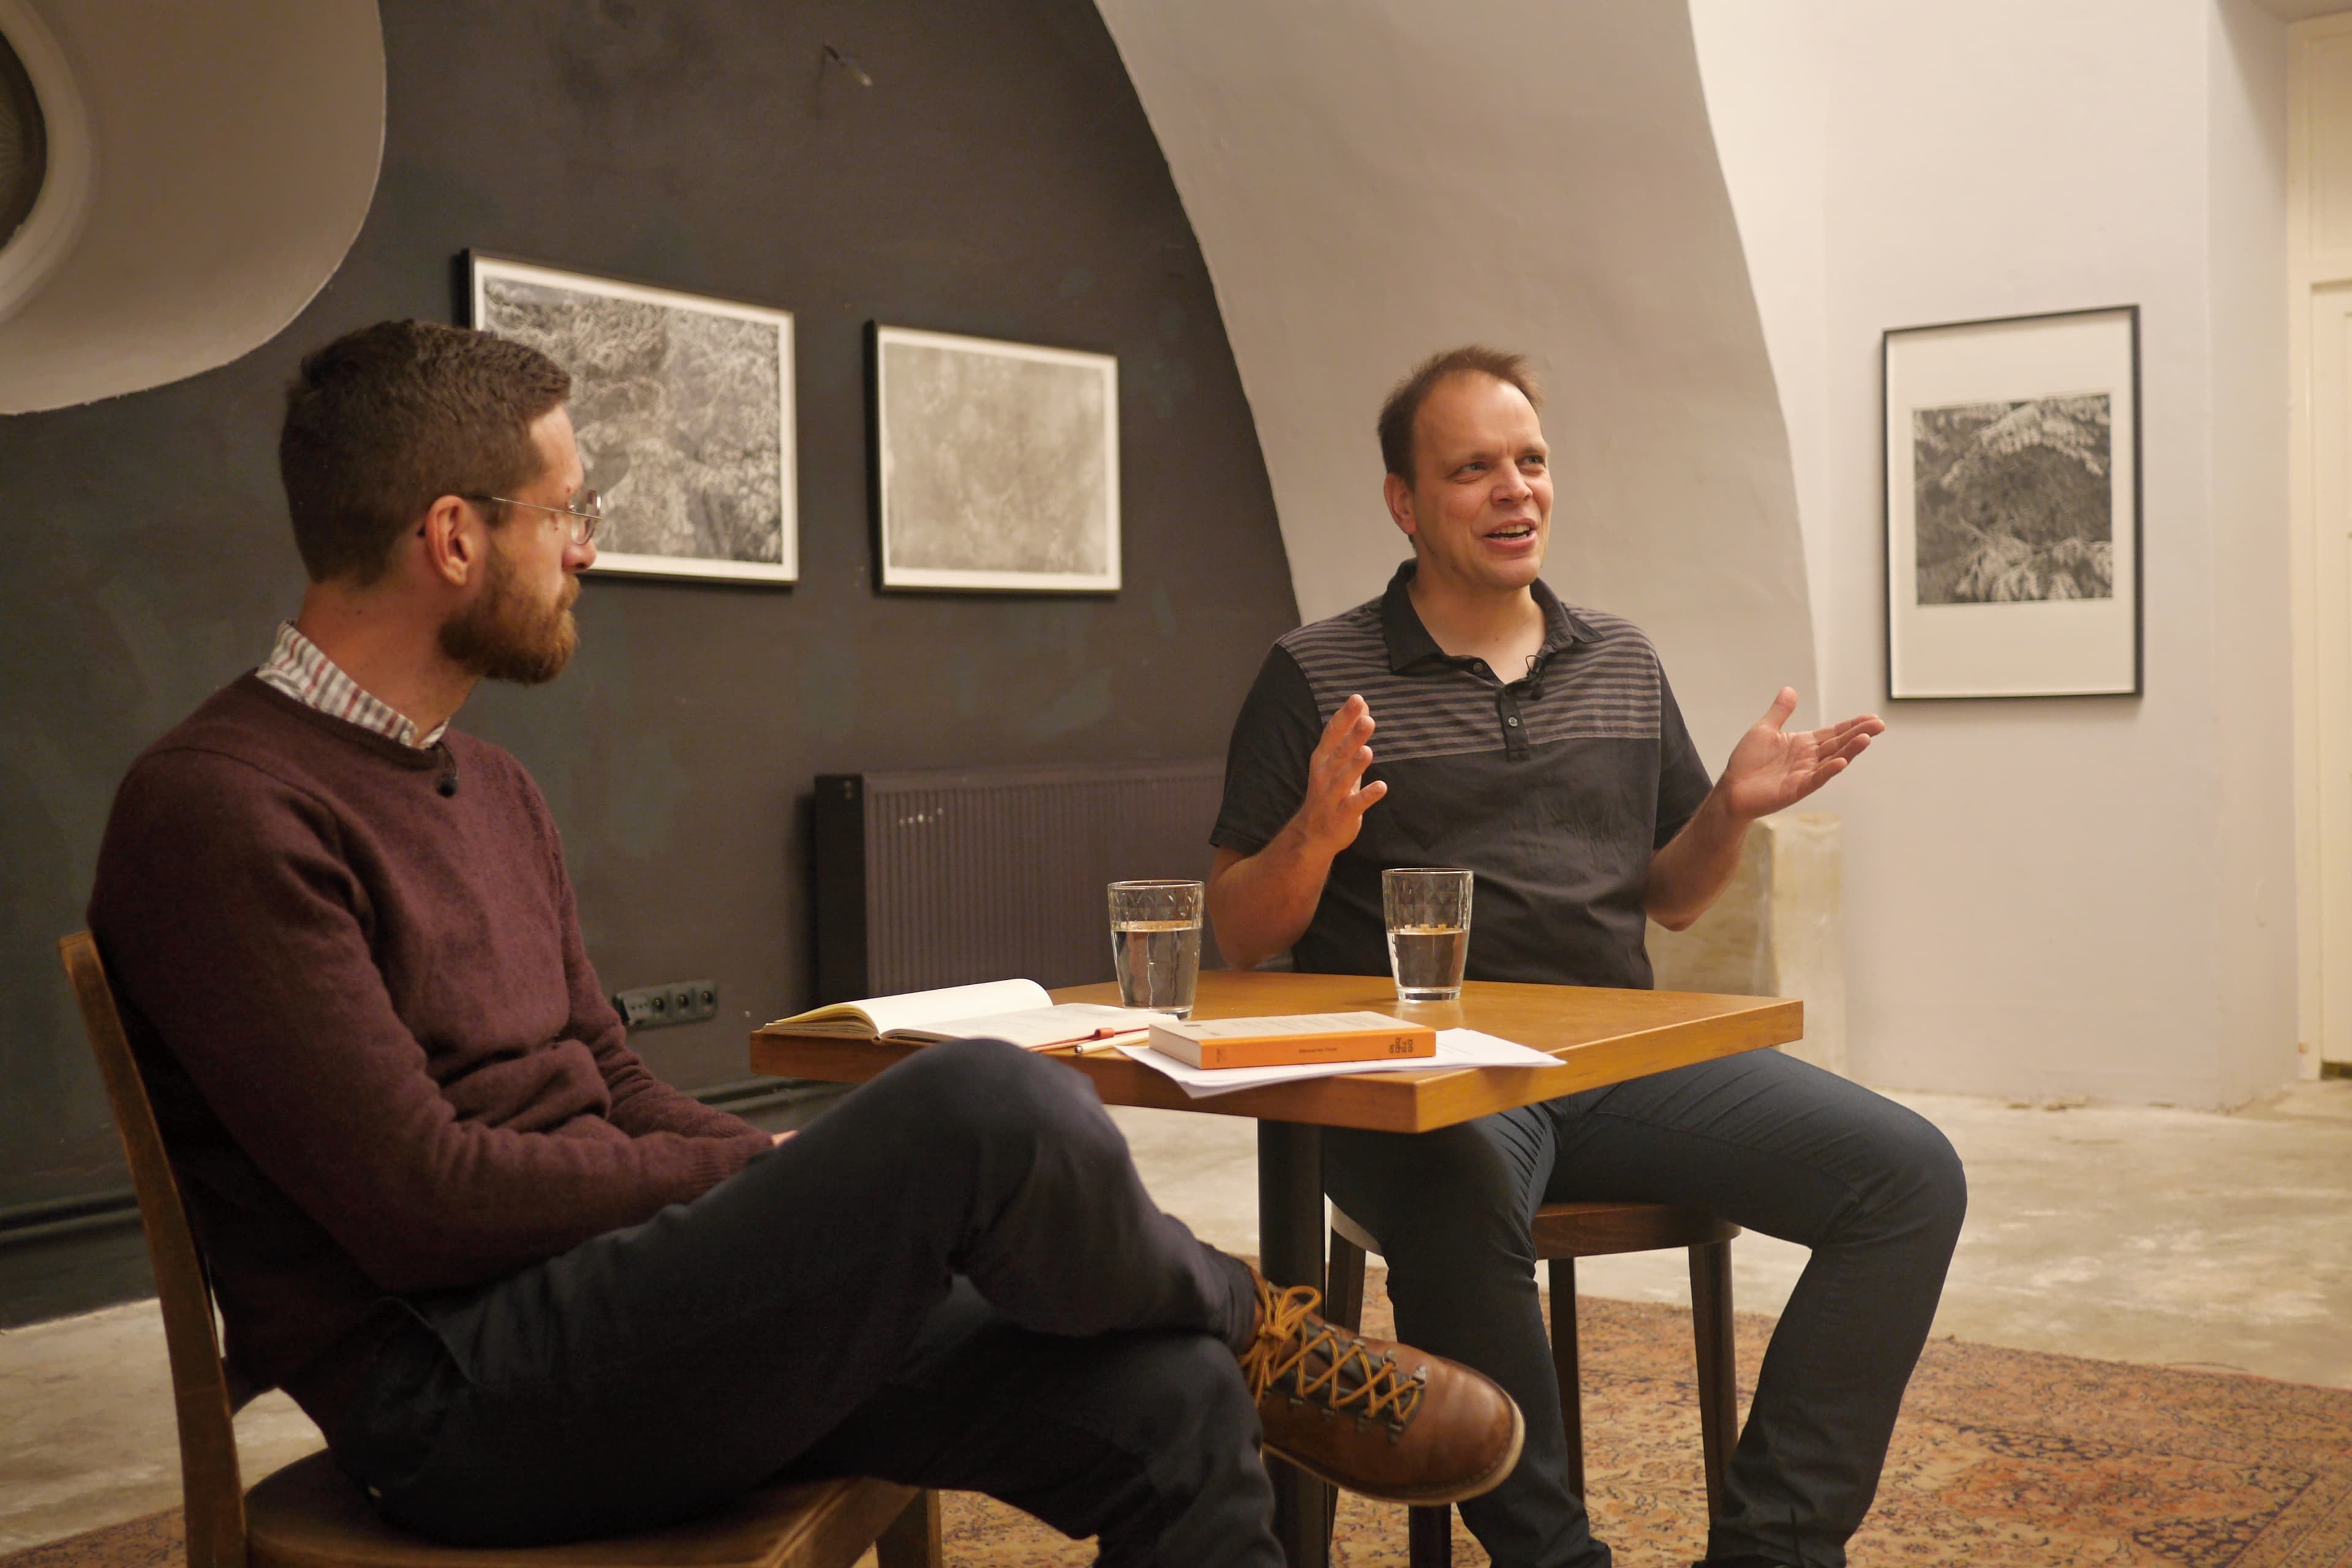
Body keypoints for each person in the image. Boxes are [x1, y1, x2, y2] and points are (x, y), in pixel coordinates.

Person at [86, 320, 1526, 1563]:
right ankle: (1255, 1319)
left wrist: (775, 1189)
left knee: (1174, 1401)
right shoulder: (222, 812)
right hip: (464, 1397)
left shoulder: (494, 785)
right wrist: (757, 1177)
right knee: (983, 1099)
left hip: (638, 1312)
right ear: (454, 538)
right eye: (566, 510)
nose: (587, 546)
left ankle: (1233, 1353)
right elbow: (424, 1199)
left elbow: (609, 1076)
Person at [1205, 345, 1967, 1568]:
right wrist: (1315, 835)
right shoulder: (1317, 673)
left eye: (1531, 460)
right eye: (1473, 468)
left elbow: (1670, 898)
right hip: (1425, 1081)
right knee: (1459, 1182)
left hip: (1615, 1059)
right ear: (1405, 502)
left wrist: (1728, 810)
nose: (1515, 489)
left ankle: (1773, 1549)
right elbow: (1241, 932)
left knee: (1910, 1176)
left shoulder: (1619, 657)